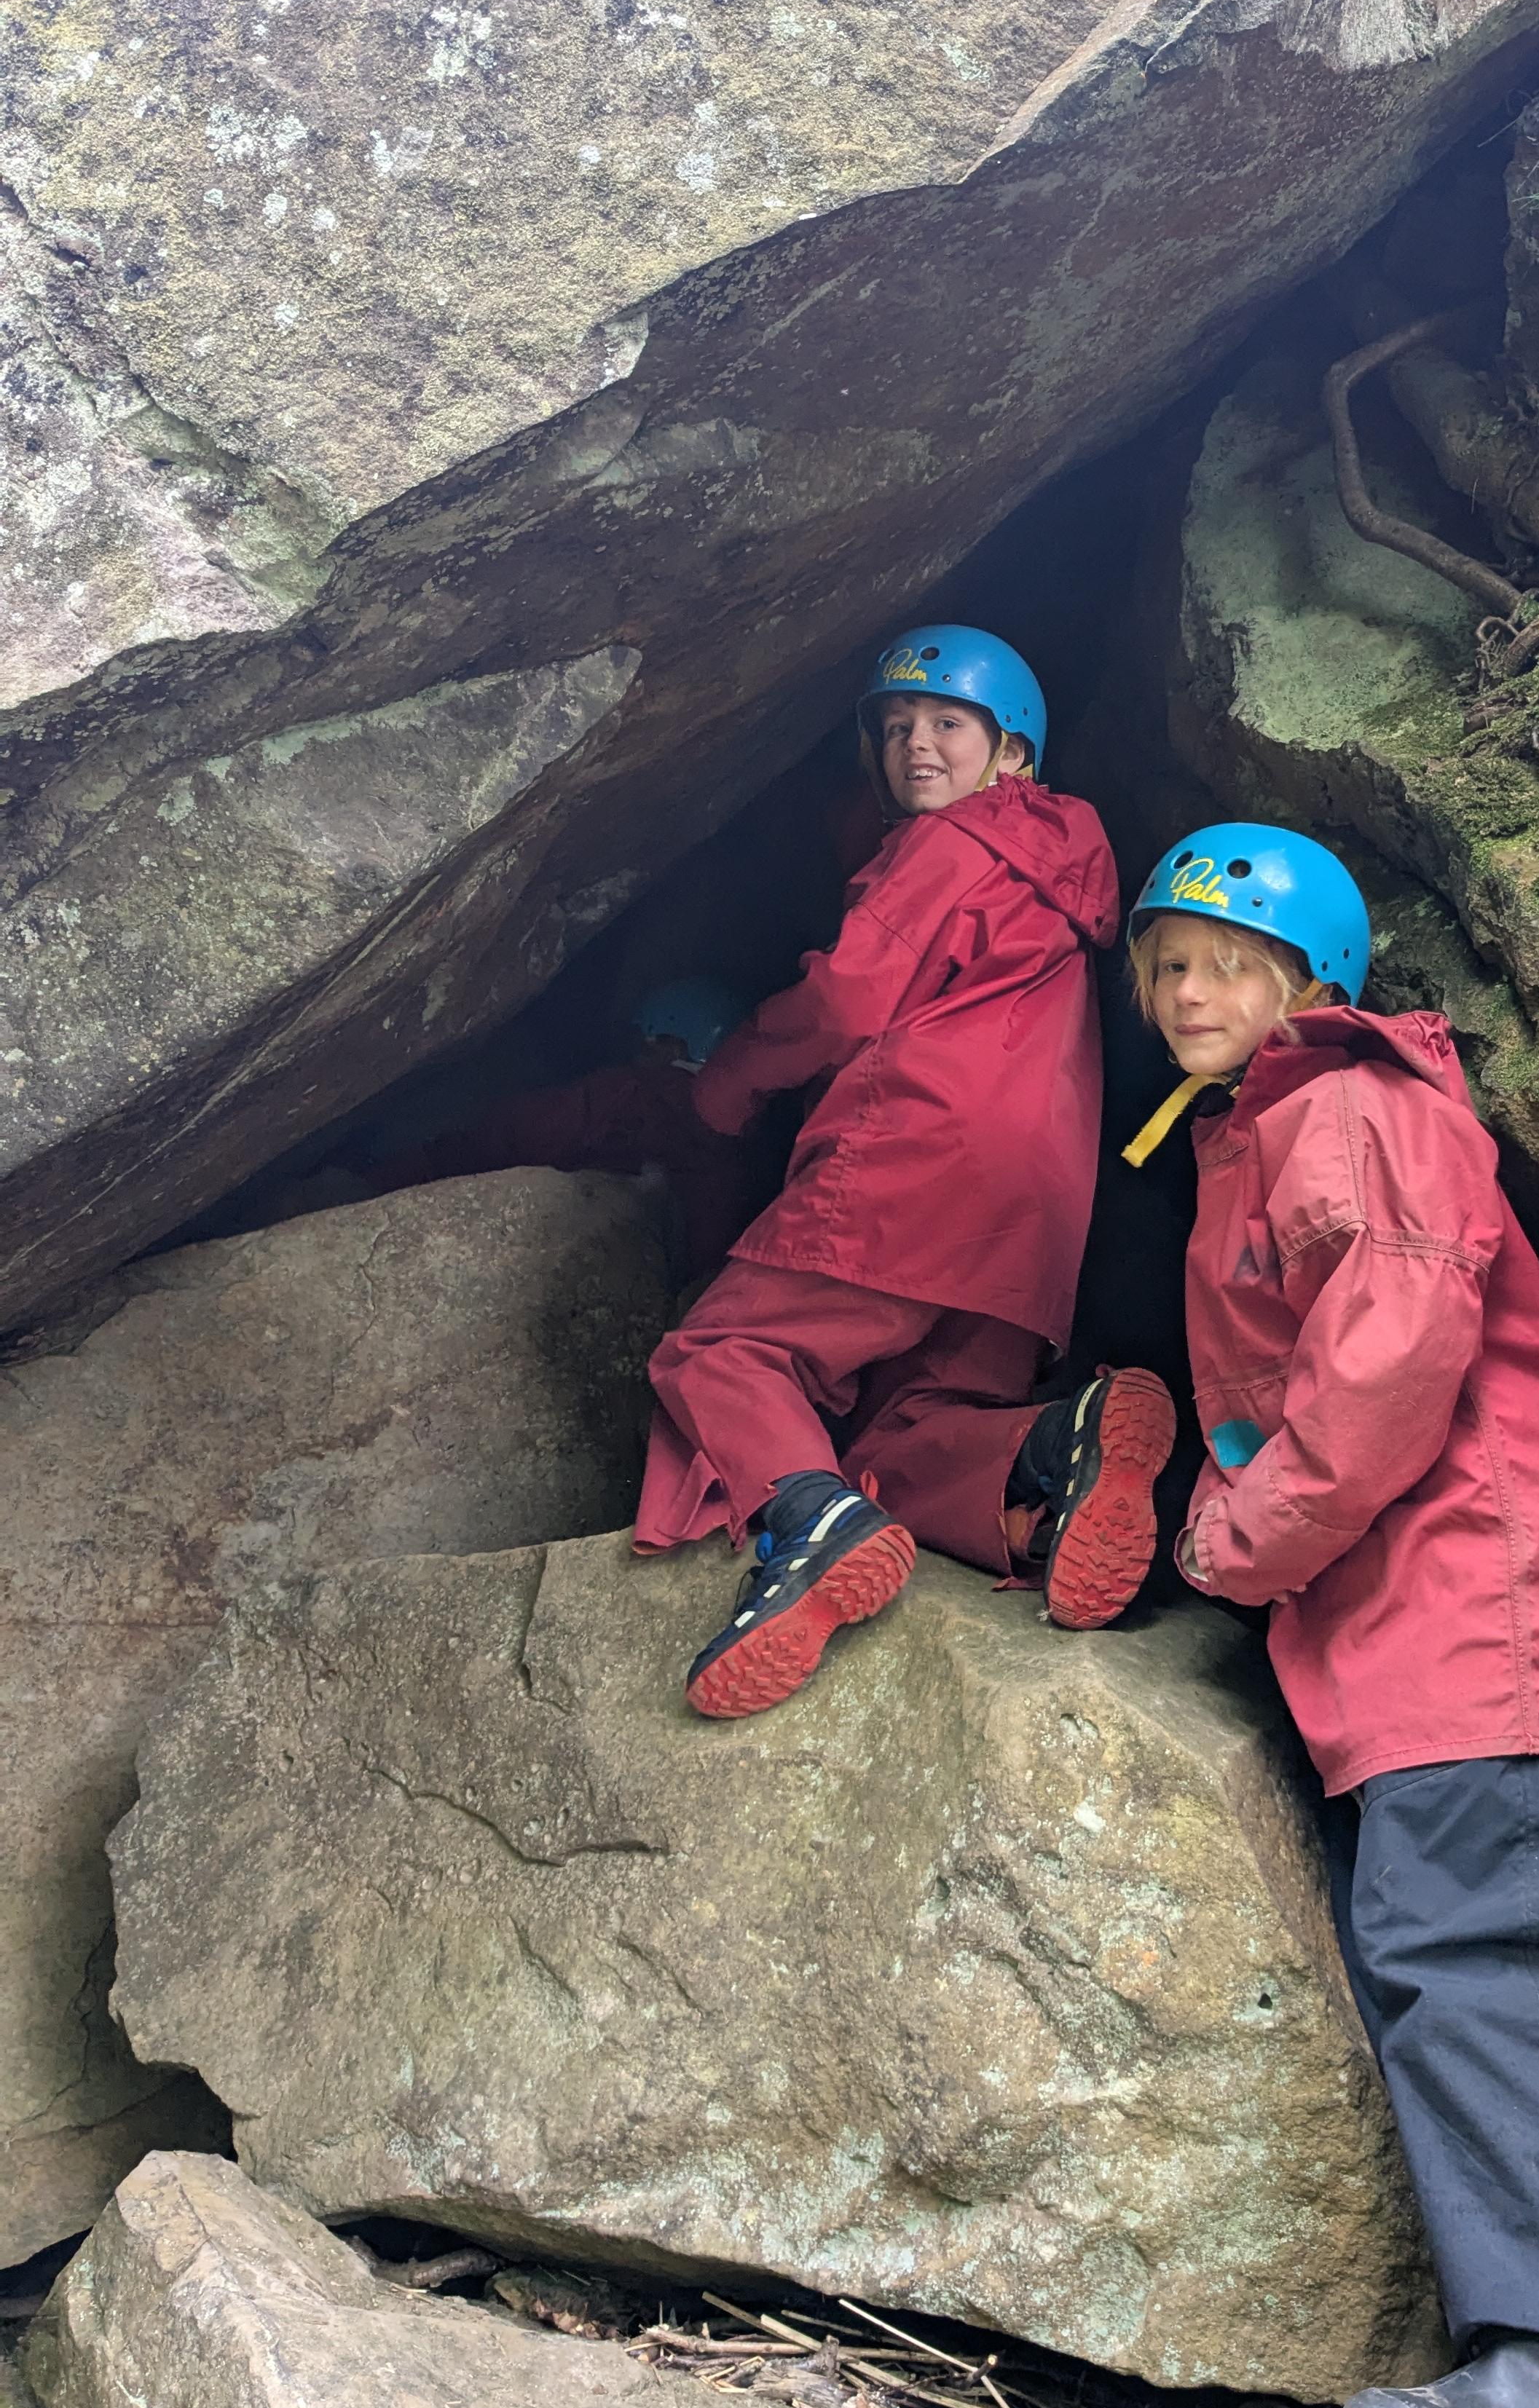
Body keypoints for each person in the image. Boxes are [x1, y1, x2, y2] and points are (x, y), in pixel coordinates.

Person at [1120, 825, 1539, 2408]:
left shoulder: (1353, 1105)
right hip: (1401, 1605)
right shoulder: (1261, 1128)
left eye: (1227, 961)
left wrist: (1235, 1537)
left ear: (1310, 981)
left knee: (1464, 1937)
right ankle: (1536, 2344)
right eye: (1165, 962)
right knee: (1427, 1935)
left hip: (1465, 1585)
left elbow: (1387, 1363)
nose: (1186, 988)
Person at [642, 627, 1176, 1719]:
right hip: (1038, 1204)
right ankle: (1051, 1445)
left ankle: (810, 1525)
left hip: (917, 1155)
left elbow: (845, 999)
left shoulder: (954, 840)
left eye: (945, 723)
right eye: (893, 729)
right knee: (903, 1428)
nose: (914, 747)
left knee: (724, 1349)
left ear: (1012, 754)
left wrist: (732, 1079)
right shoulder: (1062, 875)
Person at [360, 977, 763, 1284]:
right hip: (667, 1285)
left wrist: (407, 1170)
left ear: (674, 1046)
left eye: (645, 1043)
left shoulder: (630, 1094)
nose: (636, 1053)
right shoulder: (740, 1145)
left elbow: (523, 1132)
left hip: (565, 1251)